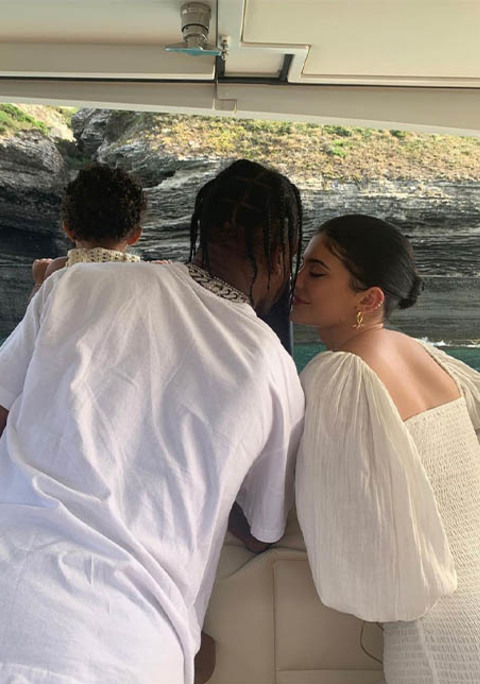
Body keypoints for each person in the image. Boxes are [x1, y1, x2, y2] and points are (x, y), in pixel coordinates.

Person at [0, 159, 305, 684]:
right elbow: (262, 529)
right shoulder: (275, 370)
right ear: (282, 255)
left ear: (199, 228)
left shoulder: (75, 284)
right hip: (128, 642)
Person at [291, 214, 480, 683]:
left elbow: (346, 513)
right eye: (303, 265)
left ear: (370, 299)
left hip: (442, 632)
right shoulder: (426, 355)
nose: (297, 281)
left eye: (317, 273)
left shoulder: (340, 374)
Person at [31, 162, 145, 299]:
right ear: (135, 235)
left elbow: (39, 311)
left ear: (69, 230)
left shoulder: (60, 268)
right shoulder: (143, 274)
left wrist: (40, 282)